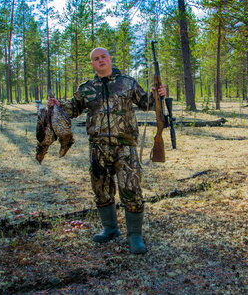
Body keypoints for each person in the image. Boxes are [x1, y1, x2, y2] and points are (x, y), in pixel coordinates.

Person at [48, 47, 166, 254]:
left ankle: (134, 235)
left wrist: (158, 95)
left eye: (103, 57)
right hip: (98, 147)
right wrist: (58, 105)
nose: (100, 60)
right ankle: (110, 229)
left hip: (125, 145)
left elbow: (147, 103)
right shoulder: (86, 88)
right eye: (96, 58)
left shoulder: (128, 83)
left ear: (110, 59)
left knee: (131, 187)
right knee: (101, 188)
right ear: (92, 64)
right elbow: (73, 108)